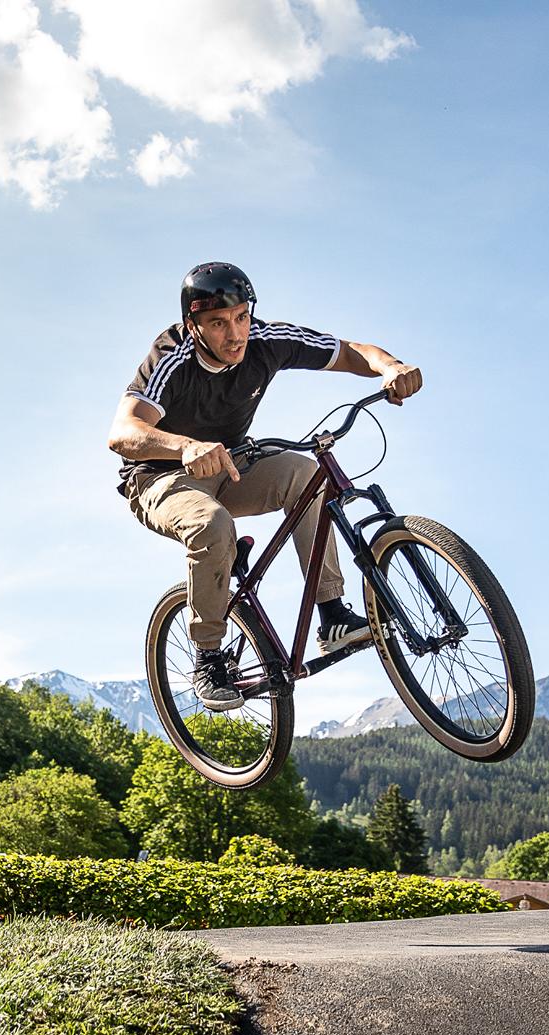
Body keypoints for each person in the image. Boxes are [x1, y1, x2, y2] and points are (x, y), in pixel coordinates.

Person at [107, 262, 423, 711]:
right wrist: (184, 447)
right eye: (218, 324)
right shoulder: (171, 357)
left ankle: (332, 614)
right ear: (192, 325)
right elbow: (123, 431)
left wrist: (391, 367)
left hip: (232, 465)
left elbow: (349, 351)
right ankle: (209, 656)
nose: (235, 334)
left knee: (307, 475)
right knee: (212, 525)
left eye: (242, 317)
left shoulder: (265, 341)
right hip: (159, 477)